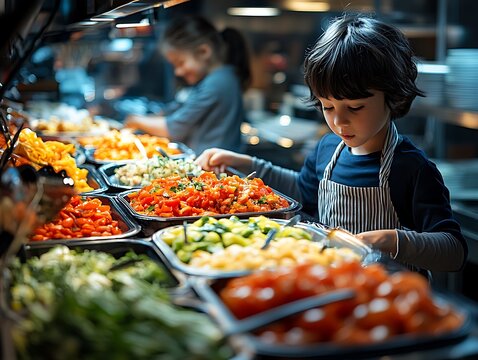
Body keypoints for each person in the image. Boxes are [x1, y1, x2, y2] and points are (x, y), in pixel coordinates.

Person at [196, 15, 467, 273]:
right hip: (333, 288)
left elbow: (453, 250)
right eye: (327, 107)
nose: (339, 122)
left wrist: (392, 239)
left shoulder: (411, 167)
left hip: (388, 298)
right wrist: (243, 163)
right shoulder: (327, 149)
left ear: (393, 96)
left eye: (355, 107)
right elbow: (301, 191)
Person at [124, 15, 251, 154]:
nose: (178, 72)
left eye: (180, 63)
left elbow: (173, 129)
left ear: (204, 51)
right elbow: (177, 111)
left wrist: (134, 120)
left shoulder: (218, 82)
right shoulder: (216, 79)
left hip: (215, 170)